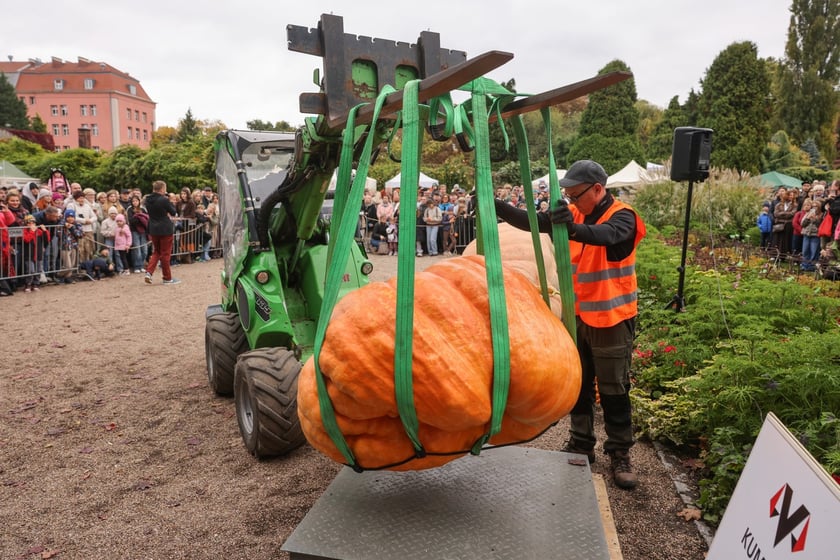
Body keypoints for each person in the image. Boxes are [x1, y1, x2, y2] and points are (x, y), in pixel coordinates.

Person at [492, 159, 646, 490]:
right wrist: (495, 205)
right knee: (579, 384)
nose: (572, 202)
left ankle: (620, 453)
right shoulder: (575, 214)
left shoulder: (624, 216)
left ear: (598, 190)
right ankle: (581, 443)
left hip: (612, 318)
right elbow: (533, 222)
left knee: (614, 389)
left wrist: (572, 229)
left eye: (576, 195)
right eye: (569, 196)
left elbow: (607, 236)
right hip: (577, 318)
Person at [144, 180, 180, 285]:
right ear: (162, 189)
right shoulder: (163, 200)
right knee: (165, 254)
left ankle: (149, 272)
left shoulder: (147, 200)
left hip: (153, 228)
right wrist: (169, 201)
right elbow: (173, 212)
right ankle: (167, 278)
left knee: (156, 252)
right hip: (165, 228)